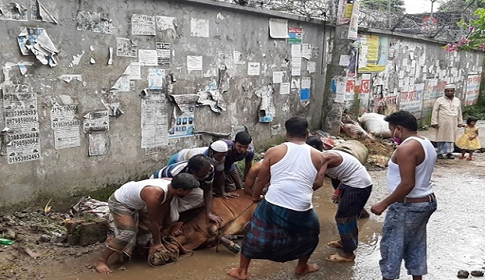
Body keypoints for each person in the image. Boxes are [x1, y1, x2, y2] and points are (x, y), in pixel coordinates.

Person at [227, 116, 325, 280]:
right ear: (307, 134)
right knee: (310, 234)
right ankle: (302, 266)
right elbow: (313, 182)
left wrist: (256, 196)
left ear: (287, 134)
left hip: (273, 202)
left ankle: (242, 271)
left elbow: (261, 179)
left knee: (253, 234)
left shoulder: (274, 151)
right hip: (303, 205)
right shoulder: (318, 156)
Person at [370, 110, 437, 280]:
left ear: (399, 128)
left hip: (408, 206)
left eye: (392, 129)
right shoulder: (425, 142)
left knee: (391, 247)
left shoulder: (406, 148)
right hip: (426, 202)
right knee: (416, 245)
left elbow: (408, 183)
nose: (392, 134)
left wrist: (383, 203)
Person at [94, 173, 200, 274]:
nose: (189, 194)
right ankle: (101, 261)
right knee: (128, 233)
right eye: (189, 191)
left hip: (137, 202)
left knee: (159, 224)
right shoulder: (155, 194)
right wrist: (157, 243)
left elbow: (165, 204)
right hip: (120, 202)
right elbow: (153, 221)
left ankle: (141, 249)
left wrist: (162, 225)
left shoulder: (172, 185)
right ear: (180, 190)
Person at [307, 136, 372, 262]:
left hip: (357, 185)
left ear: (313, 149)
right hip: (354, 183)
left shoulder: (324, 158)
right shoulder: (324, 156)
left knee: (344, 218)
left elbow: (318, 182)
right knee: (348, 216)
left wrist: (300, 194)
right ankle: (345, 242)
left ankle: (348, 254)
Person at [151, 154, 222, 225]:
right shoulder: (176, 172)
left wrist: (209, 213)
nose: (207, 174)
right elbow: (170, 194)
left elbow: (208, 190)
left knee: (201, 198)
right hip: (164, 187)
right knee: (173, 219)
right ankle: (167, 214)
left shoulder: (209, 169)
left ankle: (176, 209)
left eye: (208, 171)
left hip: (181, 188)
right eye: (204, 173)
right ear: (193, 171)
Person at [166, 140, 236, 198]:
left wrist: (222, 192)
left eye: (224, 156)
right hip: (177, 160)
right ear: (211, 153)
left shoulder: (220, 158)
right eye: (220, 156)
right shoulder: (197, 157)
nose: (221, 158)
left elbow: (220, 174)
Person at [431, 84, 464, 159]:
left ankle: (449, 153)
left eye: (451, 91)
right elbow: (435, 111)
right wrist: (434, 122)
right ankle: (440, 152)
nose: (449, 92)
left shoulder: (457, 100)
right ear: (444, 91)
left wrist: (460, 122)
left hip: (453, 121)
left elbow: (459, 111)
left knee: (451, 137)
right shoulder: (439, 100)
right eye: (447, 91)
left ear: (454, 91)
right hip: (442, 121)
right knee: (441, 137)